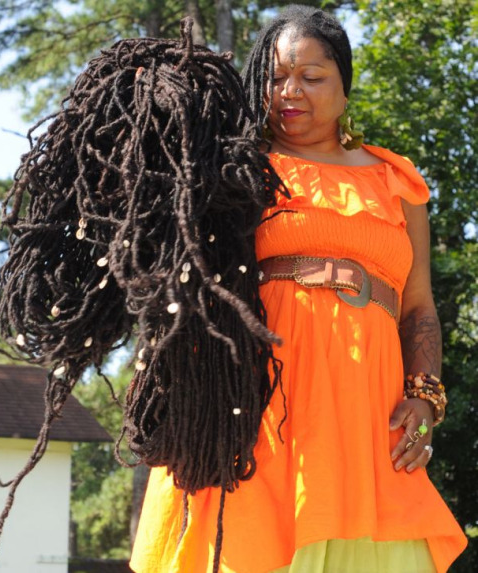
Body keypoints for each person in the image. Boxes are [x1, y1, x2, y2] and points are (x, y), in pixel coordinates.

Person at [129, 5, 467, 573]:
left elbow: (418, 307)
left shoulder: (397, 182)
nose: (291, 92)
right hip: (258, 400)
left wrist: (425, 395)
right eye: (277, 77)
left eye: (312, 77)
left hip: (368, 410)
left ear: (344, 85)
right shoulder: (239, 168)